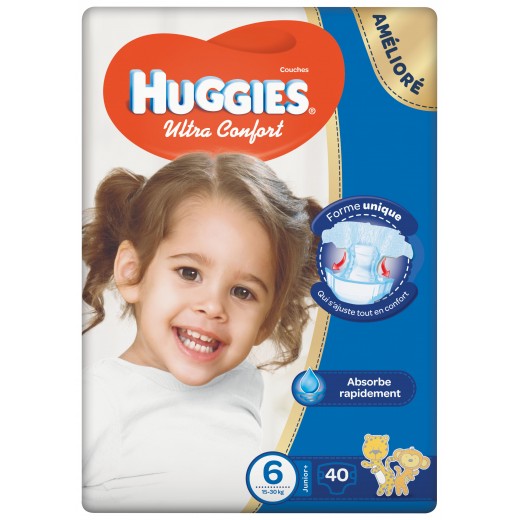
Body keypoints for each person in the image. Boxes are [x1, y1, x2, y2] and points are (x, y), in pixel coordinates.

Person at [82, 152, 321, 512]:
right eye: (189, 273)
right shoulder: (99, 400)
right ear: (132, 272)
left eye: (242, 292)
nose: (212, 306)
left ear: (267, 321)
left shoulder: (242, 382)